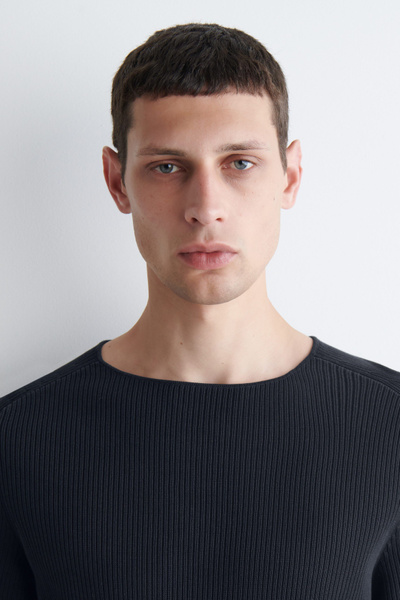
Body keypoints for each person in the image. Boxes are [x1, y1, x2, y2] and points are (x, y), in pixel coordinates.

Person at [0, 23, 399, 600]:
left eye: (240, 163)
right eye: (167, 167)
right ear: (117, 182)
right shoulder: (18, 442)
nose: (205, 208)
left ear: (290, 175)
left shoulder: (389, 428)